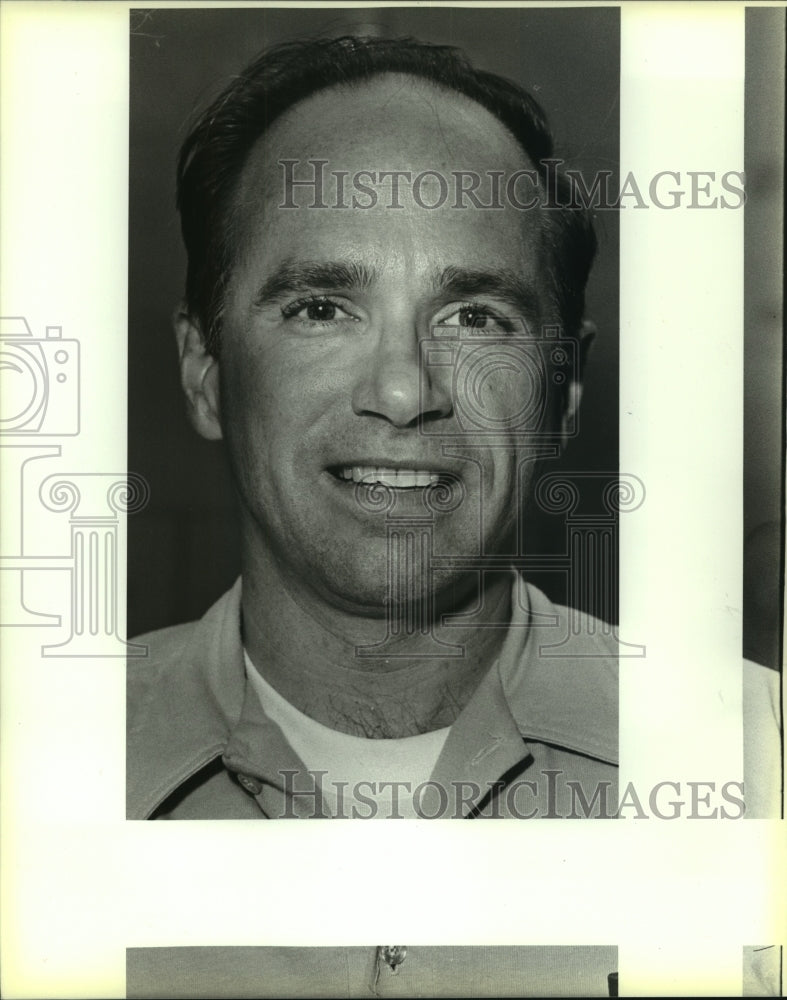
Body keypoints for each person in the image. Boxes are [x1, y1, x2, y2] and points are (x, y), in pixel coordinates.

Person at [126, 35, 777, 823]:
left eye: (473, 316)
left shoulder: (756, 761)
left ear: (561, 386)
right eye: (322, 309)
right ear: (204, 371)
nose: (403, 390)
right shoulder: (35, 757)